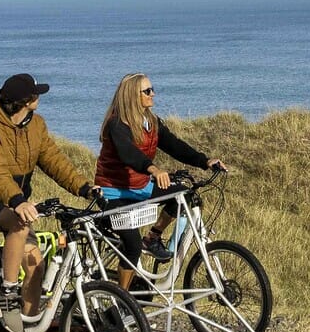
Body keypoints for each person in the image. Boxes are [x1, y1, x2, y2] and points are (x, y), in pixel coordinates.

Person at [0, 72, 99, 332]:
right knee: (20, 225)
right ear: (25, 101)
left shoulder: (36, 125)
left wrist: (84, 187)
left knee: (36, 266)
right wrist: (17, 200)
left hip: (14, 203)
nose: (38, 98)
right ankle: (7, 292)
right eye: (35, 95)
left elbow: (55, 161)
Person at [94, 72, 226, 289]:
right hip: (113, 192)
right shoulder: (117, 124)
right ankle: (122, 300)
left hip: (140, 186)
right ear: (132, 95)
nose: (153, 93)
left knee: (184, 194)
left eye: (151, 89)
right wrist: (153, 169)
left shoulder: (151, 122)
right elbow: (128, 153)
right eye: (147, 91)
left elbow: (174, 145)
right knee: (132, 245)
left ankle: (153, 238)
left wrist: (205, 161)